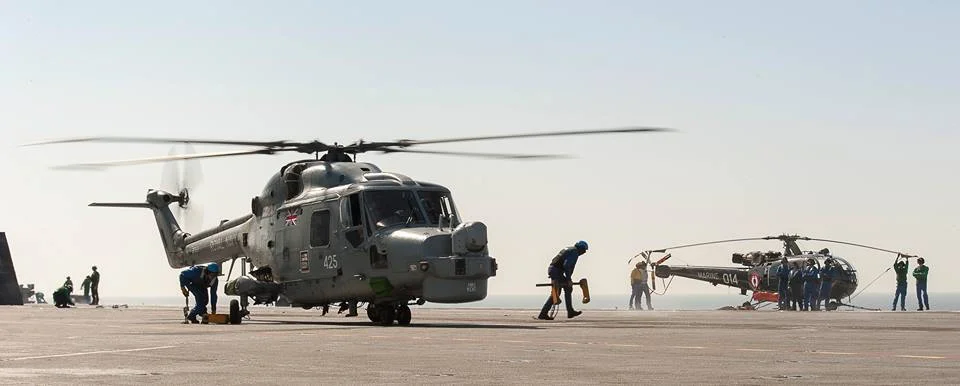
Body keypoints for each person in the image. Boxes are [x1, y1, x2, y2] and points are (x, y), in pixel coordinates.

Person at [537, 241, 588, 320]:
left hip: (553, 270)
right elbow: (567, 265)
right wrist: (568, 279)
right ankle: (570, 311)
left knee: (557, 292)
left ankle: (543, 314)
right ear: (581, 248)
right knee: (564, 289)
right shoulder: (574, 252)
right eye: (584, 250)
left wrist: (568, 279)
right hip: (556, 271)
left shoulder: (570, 249)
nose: (584, 253)